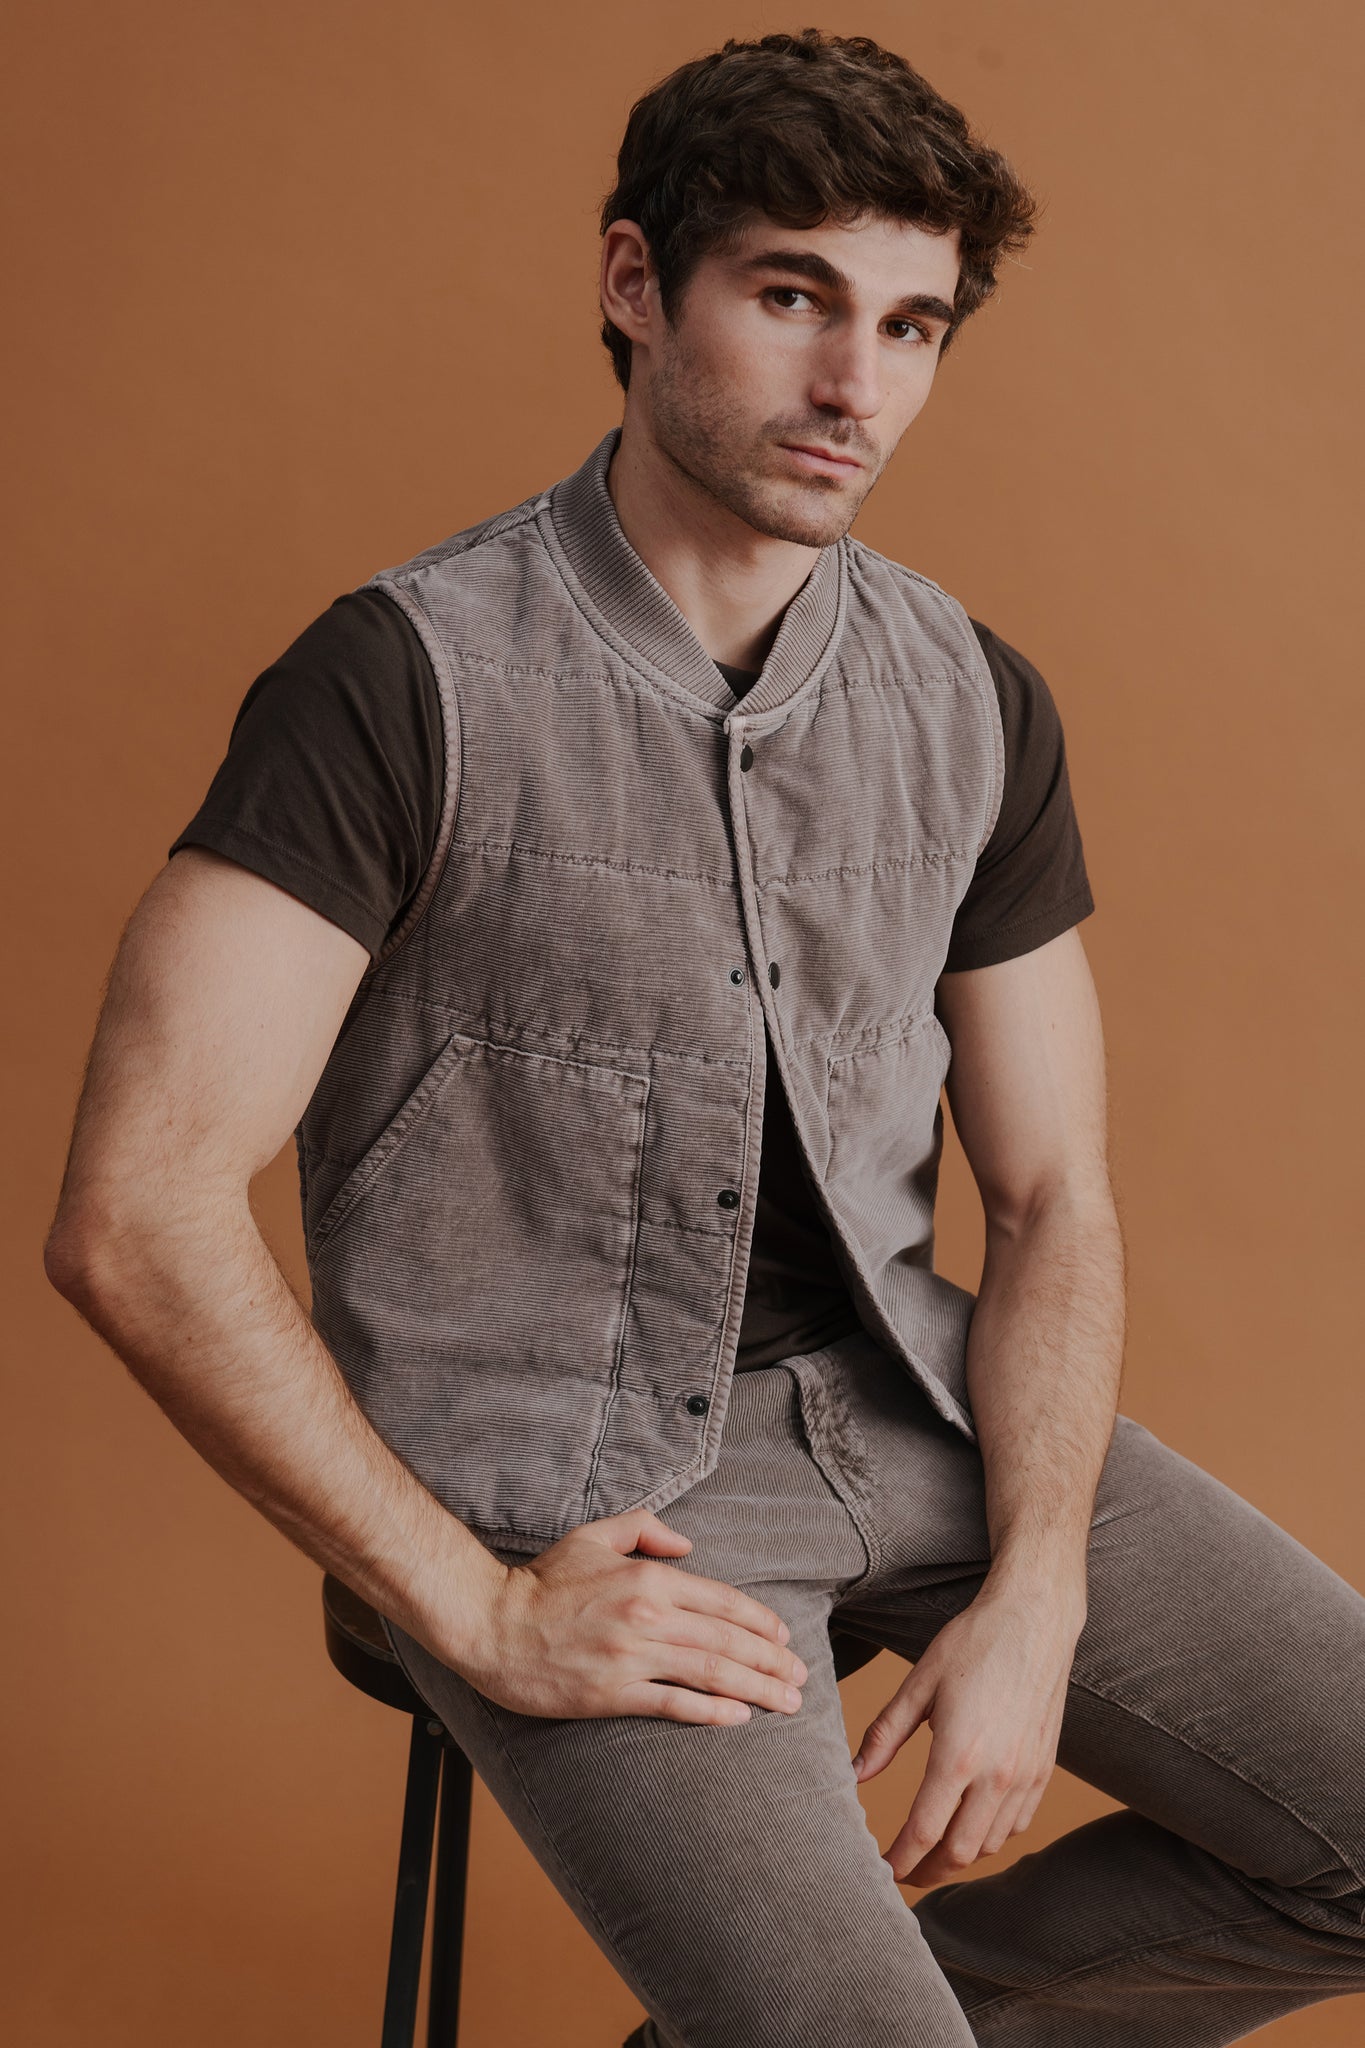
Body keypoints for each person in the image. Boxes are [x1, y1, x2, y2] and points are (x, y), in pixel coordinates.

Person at [44, 28, 1365, 2047]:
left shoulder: (971, 698)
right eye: (791, 297)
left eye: (910, 325)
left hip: (920, 1411)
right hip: (578, 1500)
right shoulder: (398, 682)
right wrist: (480, 1605)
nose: (856, 388)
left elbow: (1049, 1196)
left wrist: (1036, 1592)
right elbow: (134, 1212)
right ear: (633, 284)